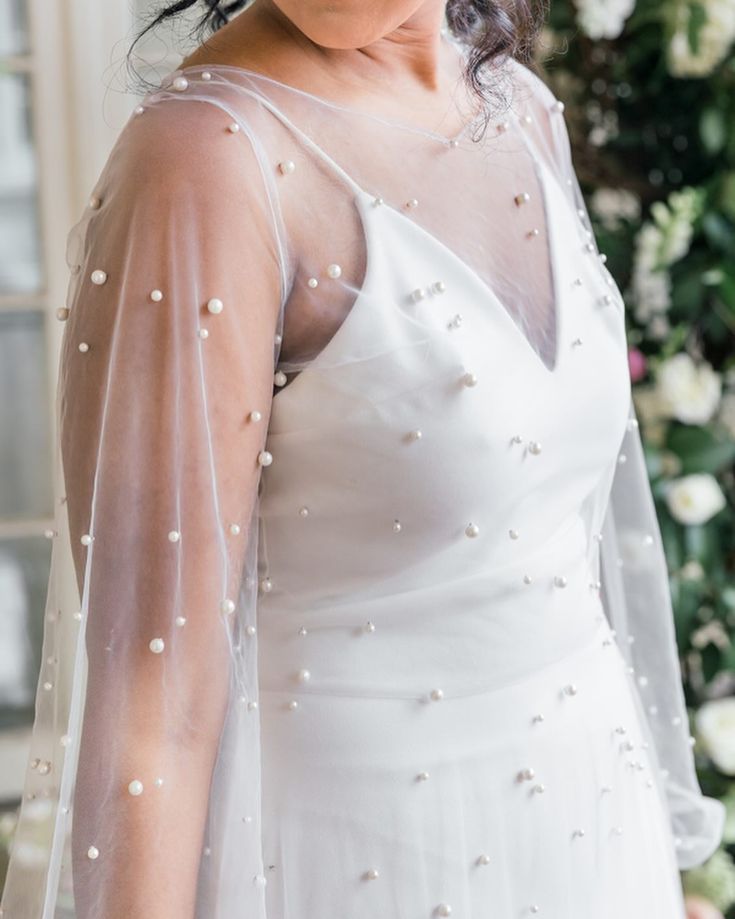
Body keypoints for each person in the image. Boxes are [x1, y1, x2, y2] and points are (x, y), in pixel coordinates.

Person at [1, 1, 725, 917]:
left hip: (594, 838)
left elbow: (559, 557)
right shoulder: (206, 161)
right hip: (349, 860)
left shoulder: (518, 107)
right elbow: (153, 714)